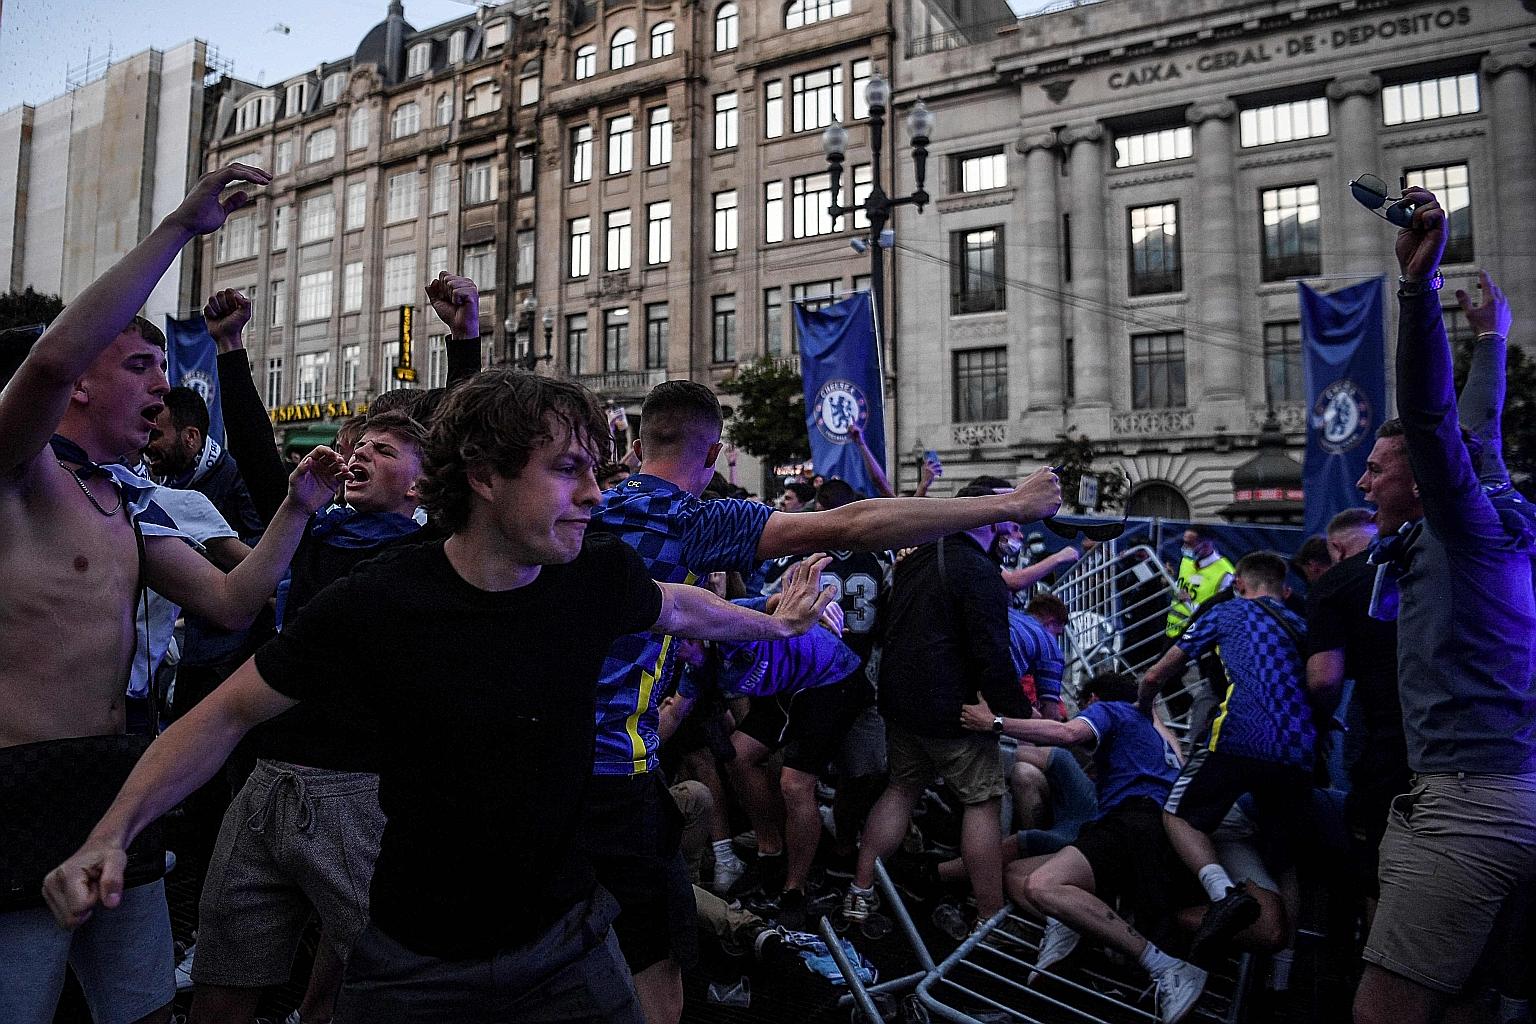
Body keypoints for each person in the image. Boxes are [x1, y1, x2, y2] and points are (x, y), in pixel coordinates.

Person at [41, 368, 840, 1024]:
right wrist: (111, 832)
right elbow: (225, 715)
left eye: (597, 469)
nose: (597, 494)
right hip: (412, 968)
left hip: (569, 948)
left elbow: (680, 605)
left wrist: (772, 625)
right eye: (569, 470)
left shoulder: (593, 573)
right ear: (485, 476)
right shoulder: (381, 600)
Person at [586, 380, 1060, 1024]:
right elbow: (855, 523)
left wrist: (765, 613)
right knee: (658, 963)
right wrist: (1013, 502)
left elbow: (664, 607)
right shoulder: (688, 517)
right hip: (612, 773)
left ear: (639, 444)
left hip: (551, 758)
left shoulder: (597, 505)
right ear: (713, 452)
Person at [0, 162, 351, 1024]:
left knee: (146, 1012)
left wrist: (298, 512)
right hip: (14, 796)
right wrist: (179, 231)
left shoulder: (122, 497)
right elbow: (46, 362)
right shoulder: (21, 476)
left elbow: (232, 602)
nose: (163, 386)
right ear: (84, 377)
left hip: (121, 789)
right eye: (141, 364)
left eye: (164, 366)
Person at [1350, 196, 1536, 1024]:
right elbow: (1478, 428)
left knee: (1382, 1015)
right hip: (1500, 791)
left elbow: (1435, 421)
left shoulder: (1464, 530)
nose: (1362, 483)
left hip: (1468, 807)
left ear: (1423, 479)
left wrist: (1416, 291)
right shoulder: (1481, 518)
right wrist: (1492, 338)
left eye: (1377, 469)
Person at [842, 484, 1032, 930]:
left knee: (901, 791)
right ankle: (989, 918)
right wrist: (1016, 713)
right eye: (1001, 504)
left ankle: (860, 892)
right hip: (956, 713)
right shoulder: (978, 571)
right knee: (982, 801)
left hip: (902, 703)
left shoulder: (919, 559)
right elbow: (992, 654)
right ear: (984, 514)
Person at [981, 672, 1207, 1024]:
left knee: (1043, 886)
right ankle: (1073, 924)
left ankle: (1166, 967)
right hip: (1164, 831)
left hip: (1134, 820)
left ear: (1092, 701)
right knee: (1023, 876)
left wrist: (994, 722)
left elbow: (1067, 734)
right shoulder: (1155, 731)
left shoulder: (1112, 711)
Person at [1138, 551, 1312, 964]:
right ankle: (1283, 974)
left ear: (1239, 584)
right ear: (1284, 590)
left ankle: (1223, 897)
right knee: (1286, 859)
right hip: (1299, 750)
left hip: (1241, 736)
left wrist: (1144, 706)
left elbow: (1156, 674)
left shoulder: (1229, 612)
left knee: (1178, 814)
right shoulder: (1302, 625)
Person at [1164, 524, 1234, 642]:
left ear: (1207, 544)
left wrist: (1189, 604)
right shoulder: (1186, 561)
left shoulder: (1225, 573)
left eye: (1189, 544)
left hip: (1196, 637)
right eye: (1184, 542)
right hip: (1171, 631)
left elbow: (1221, 613)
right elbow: (1180, 589)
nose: (1184, 547)